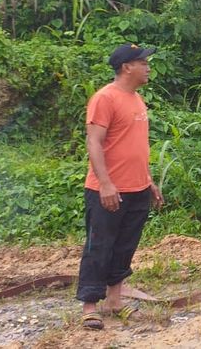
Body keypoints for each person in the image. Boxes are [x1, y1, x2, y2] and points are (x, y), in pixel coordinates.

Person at [76, 43, 164, 330]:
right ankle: (90, 306)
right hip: (109, 189)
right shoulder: (105, 98)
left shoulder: (137, 99)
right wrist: (105, 184)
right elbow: (94, 142)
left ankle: (114, 301)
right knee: (99, 246)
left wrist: (148, 181)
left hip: (137, 188)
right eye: (143, 62)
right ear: (127, 67)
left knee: (125, 246)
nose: (148, 67)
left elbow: (137, 147)